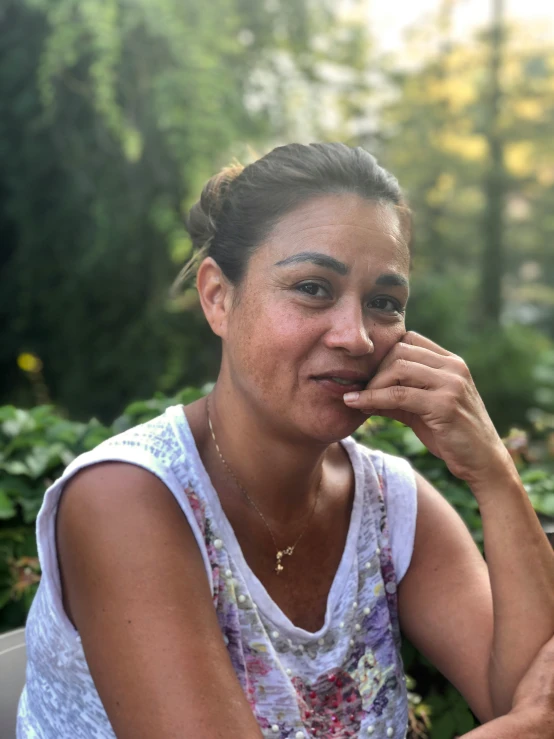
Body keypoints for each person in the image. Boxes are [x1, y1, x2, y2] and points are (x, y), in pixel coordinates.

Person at [17, 143, 554, 739]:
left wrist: (494, 474)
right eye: (313, 288)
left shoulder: (388, 501)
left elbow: (527, 686)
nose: (355, 336)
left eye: (383, 303)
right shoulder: (124, 499)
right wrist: (528, 727)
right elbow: (534, 717)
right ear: (219, 297)